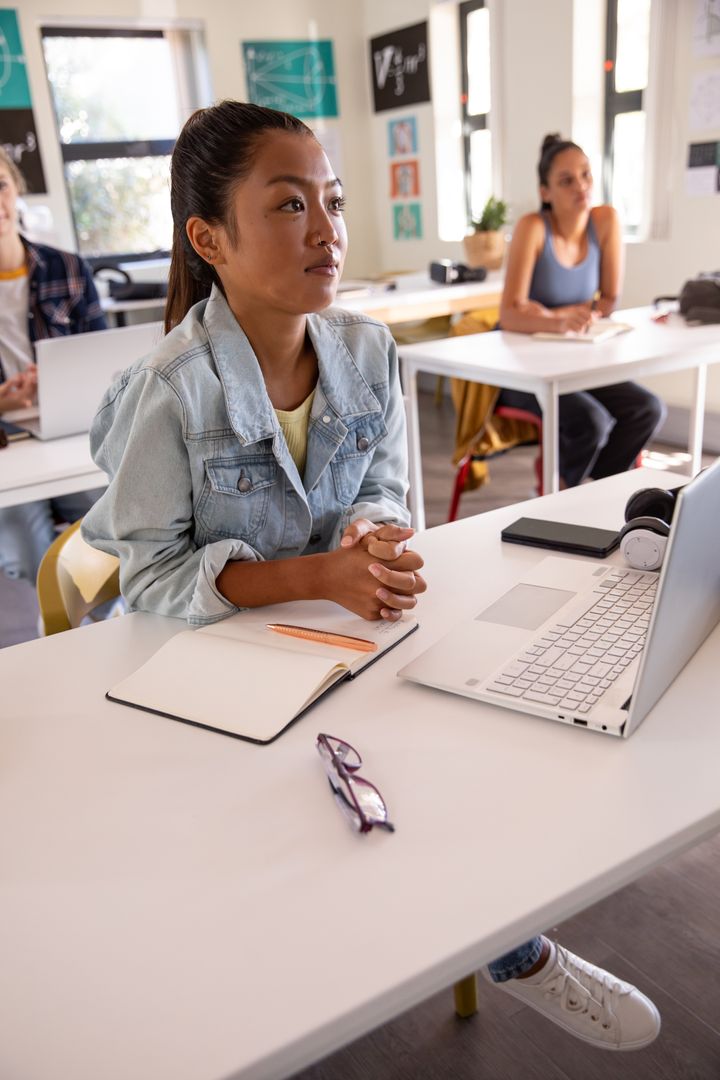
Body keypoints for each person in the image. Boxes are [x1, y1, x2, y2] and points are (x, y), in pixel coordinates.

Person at [82, 101, 659, 1051]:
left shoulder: (365, 350)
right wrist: (321, 573)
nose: (327, 228)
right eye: (289, 205)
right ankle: (484, 952)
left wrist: (372, 538)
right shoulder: (170, 388)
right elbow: (153, 576)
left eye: (334, 201)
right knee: (349, 791)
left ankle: (503, 940)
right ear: (208, 238)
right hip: (216, 668)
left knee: (468, 736)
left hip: (338, 635)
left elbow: (387, 488)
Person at [498, 133, 665, 487]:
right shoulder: (533, 227)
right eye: (566, 180)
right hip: (525, 372)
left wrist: (543, 311)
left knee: (647, 409)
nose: (582, 186)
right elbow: (510, 315)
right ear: (545, 192)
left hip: (578, 363)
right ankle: (563, 494)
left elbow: (608, 301)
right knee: (590, 420)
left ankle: (592, 486)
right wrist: (559, 318)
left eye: (586, 174)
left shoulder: (604, 221)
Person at [0, 146, 108, 585]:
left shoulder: (68, 268)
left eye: (0, 186)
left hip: (67, 437)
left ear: (16, 190)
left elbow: (108, 368)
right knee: (29, 559)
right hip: (7, 447)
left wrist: (64, 383)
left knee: (113, 536)